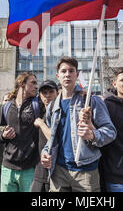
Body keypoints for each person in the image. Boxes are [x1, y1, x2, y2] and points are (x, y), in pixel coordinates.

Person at [41, 57, 116, 192]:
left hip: (85, 171)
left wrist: (92, 135)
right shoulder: (52, 106)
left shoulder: (90, 100)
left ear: (77, 74)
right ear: (58, 76)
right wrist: (45, 153)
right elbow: (53, 139)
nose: (67, 74)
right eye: (63, 71)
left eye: (71, 71)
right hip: (58, 170)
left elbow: (110, 132)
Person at [0, 73, 40, 192]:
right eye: (33, 83)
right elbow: (0, 131)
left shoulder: (37, 105)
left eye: (36, 83)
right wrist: (3, 136)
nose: (36, 86)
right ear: (22, 84)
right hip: (7, 168)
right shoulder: (6, 106)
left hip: (29, 168)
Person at [31, 80, 58, 192]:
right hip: (40, 170)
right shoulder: (38, 113)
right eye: (44, 92)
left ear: (57, 93)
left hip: (58, 171)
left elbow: (54, 139)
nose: (47, 95)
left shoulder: (61, 113)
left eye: (51, 92)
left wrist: (41, 124)